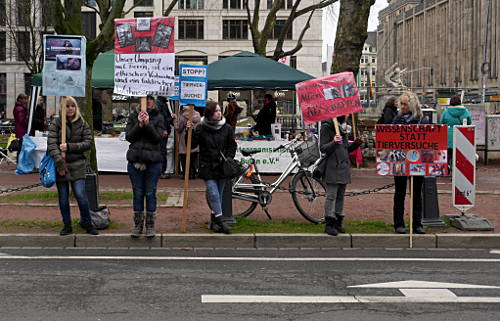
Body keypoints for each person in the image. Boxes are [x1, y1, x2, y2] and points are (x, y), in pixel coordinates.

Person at [47, 96, 98, 236]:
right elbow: (51, 144)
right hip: (61, 165)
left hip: (78, 164)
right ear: (62, 108)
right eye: (67, 106)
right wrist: (59, 163)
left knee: (81, 195)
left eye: (72, 106)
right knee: (63, 198)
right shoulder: (56, 123)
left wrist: (70, 147)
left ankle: (87, 223)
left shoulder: (82, 123)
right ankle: (67, 225)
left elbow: (88, 143)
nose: (70, 109)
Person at [187, 100, 236, 234]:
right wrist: (189, 131)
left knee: (218, 195)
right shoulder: (201, 127)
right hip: (207, 166)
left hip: (222, 166)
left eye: (220, 110)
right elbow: (191, 145)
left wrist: (229, 158)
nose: (219, 113)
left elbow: (232, 145)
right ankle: (221, 222)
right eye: (216, 111)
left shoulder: (227, 128)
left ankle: (214, 222)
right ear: (209, 114)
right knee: (213, 194)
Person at [125, 95, 165, 238]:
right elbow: (129, 136)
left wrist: (147, 125)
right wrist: (139, 125)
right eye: (145, 99)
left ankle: (150, 225)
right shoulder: (132, 116)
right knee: (137, 193)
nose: (148, 101)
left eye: (150, 99)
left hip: (153, 161)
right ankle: (137, 225)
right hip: (135, 160)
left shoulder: (159, 117)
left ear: (154, 101)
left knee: (150, 192)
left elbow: (157, 138)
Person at [320, 116, 364, 236]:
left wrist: (356, 144)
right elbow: (323, 148)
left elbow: (345, 149)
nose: (348, 116)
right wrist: (334, 142)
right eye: (346, 114)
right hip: (333, 166)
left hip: (343, 166)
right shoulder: (327, 127)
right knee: (331, 196)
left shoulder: (343, 128)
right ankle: (329, 223)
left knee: (340, 196)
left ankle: (338, 222)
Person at [392, 91, 428, 234]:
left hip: (417, 161)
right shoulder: (397, 120)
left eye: (405, 104)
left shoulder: (422, 121)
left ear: (412, 104)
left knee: (417, 194)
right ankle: (398, 223)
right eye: (401, 104)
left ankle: (417, 224)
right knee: (399, 193)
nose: (402, 106)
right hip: (400, 161)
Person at [440, 95, 472, 171]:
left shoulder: (446, 112)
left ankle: (447, 168)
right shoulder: (466, 111)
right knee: (459, 155)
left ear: (450, 103)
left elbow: (442, 124)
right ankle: (459, 170)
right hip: (461, 137)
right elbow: (469, 123)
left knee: (448, 154)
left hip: (448, 138)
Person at [174, 105, 201, 179]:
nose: (182, 107)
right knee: (193, 158)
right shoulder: (198, 115)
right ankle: (193, 173)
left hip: (184, 140)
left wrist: (175, 120)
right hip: (195, 139)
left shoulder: (183, 116)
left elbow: (178, 128)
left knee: (184, 158)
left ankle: (186, 174)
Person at [156, 96, 173, 179]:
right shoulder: (160, 103)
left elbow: (165, 117)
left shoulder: (162, 103)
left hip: (163, 130)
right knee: (162, 151)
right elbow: (162, 118)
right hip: (162, 131)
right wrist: (164, 129)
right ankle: (161, 171)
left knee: (163, 151)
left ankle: (161, 171)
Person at [13, 93, 28, 162]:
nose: (26, 100)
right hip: (21, 130)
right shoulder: (20, 108)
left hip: (19, 129)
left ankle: (19, 161)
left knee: (21, 147)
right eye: (25, 99)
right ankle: (20, 162)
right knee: (21, 147)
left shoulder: (18, 107)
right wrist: (27, 123)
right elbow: (21, 120)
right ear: (20, 99)